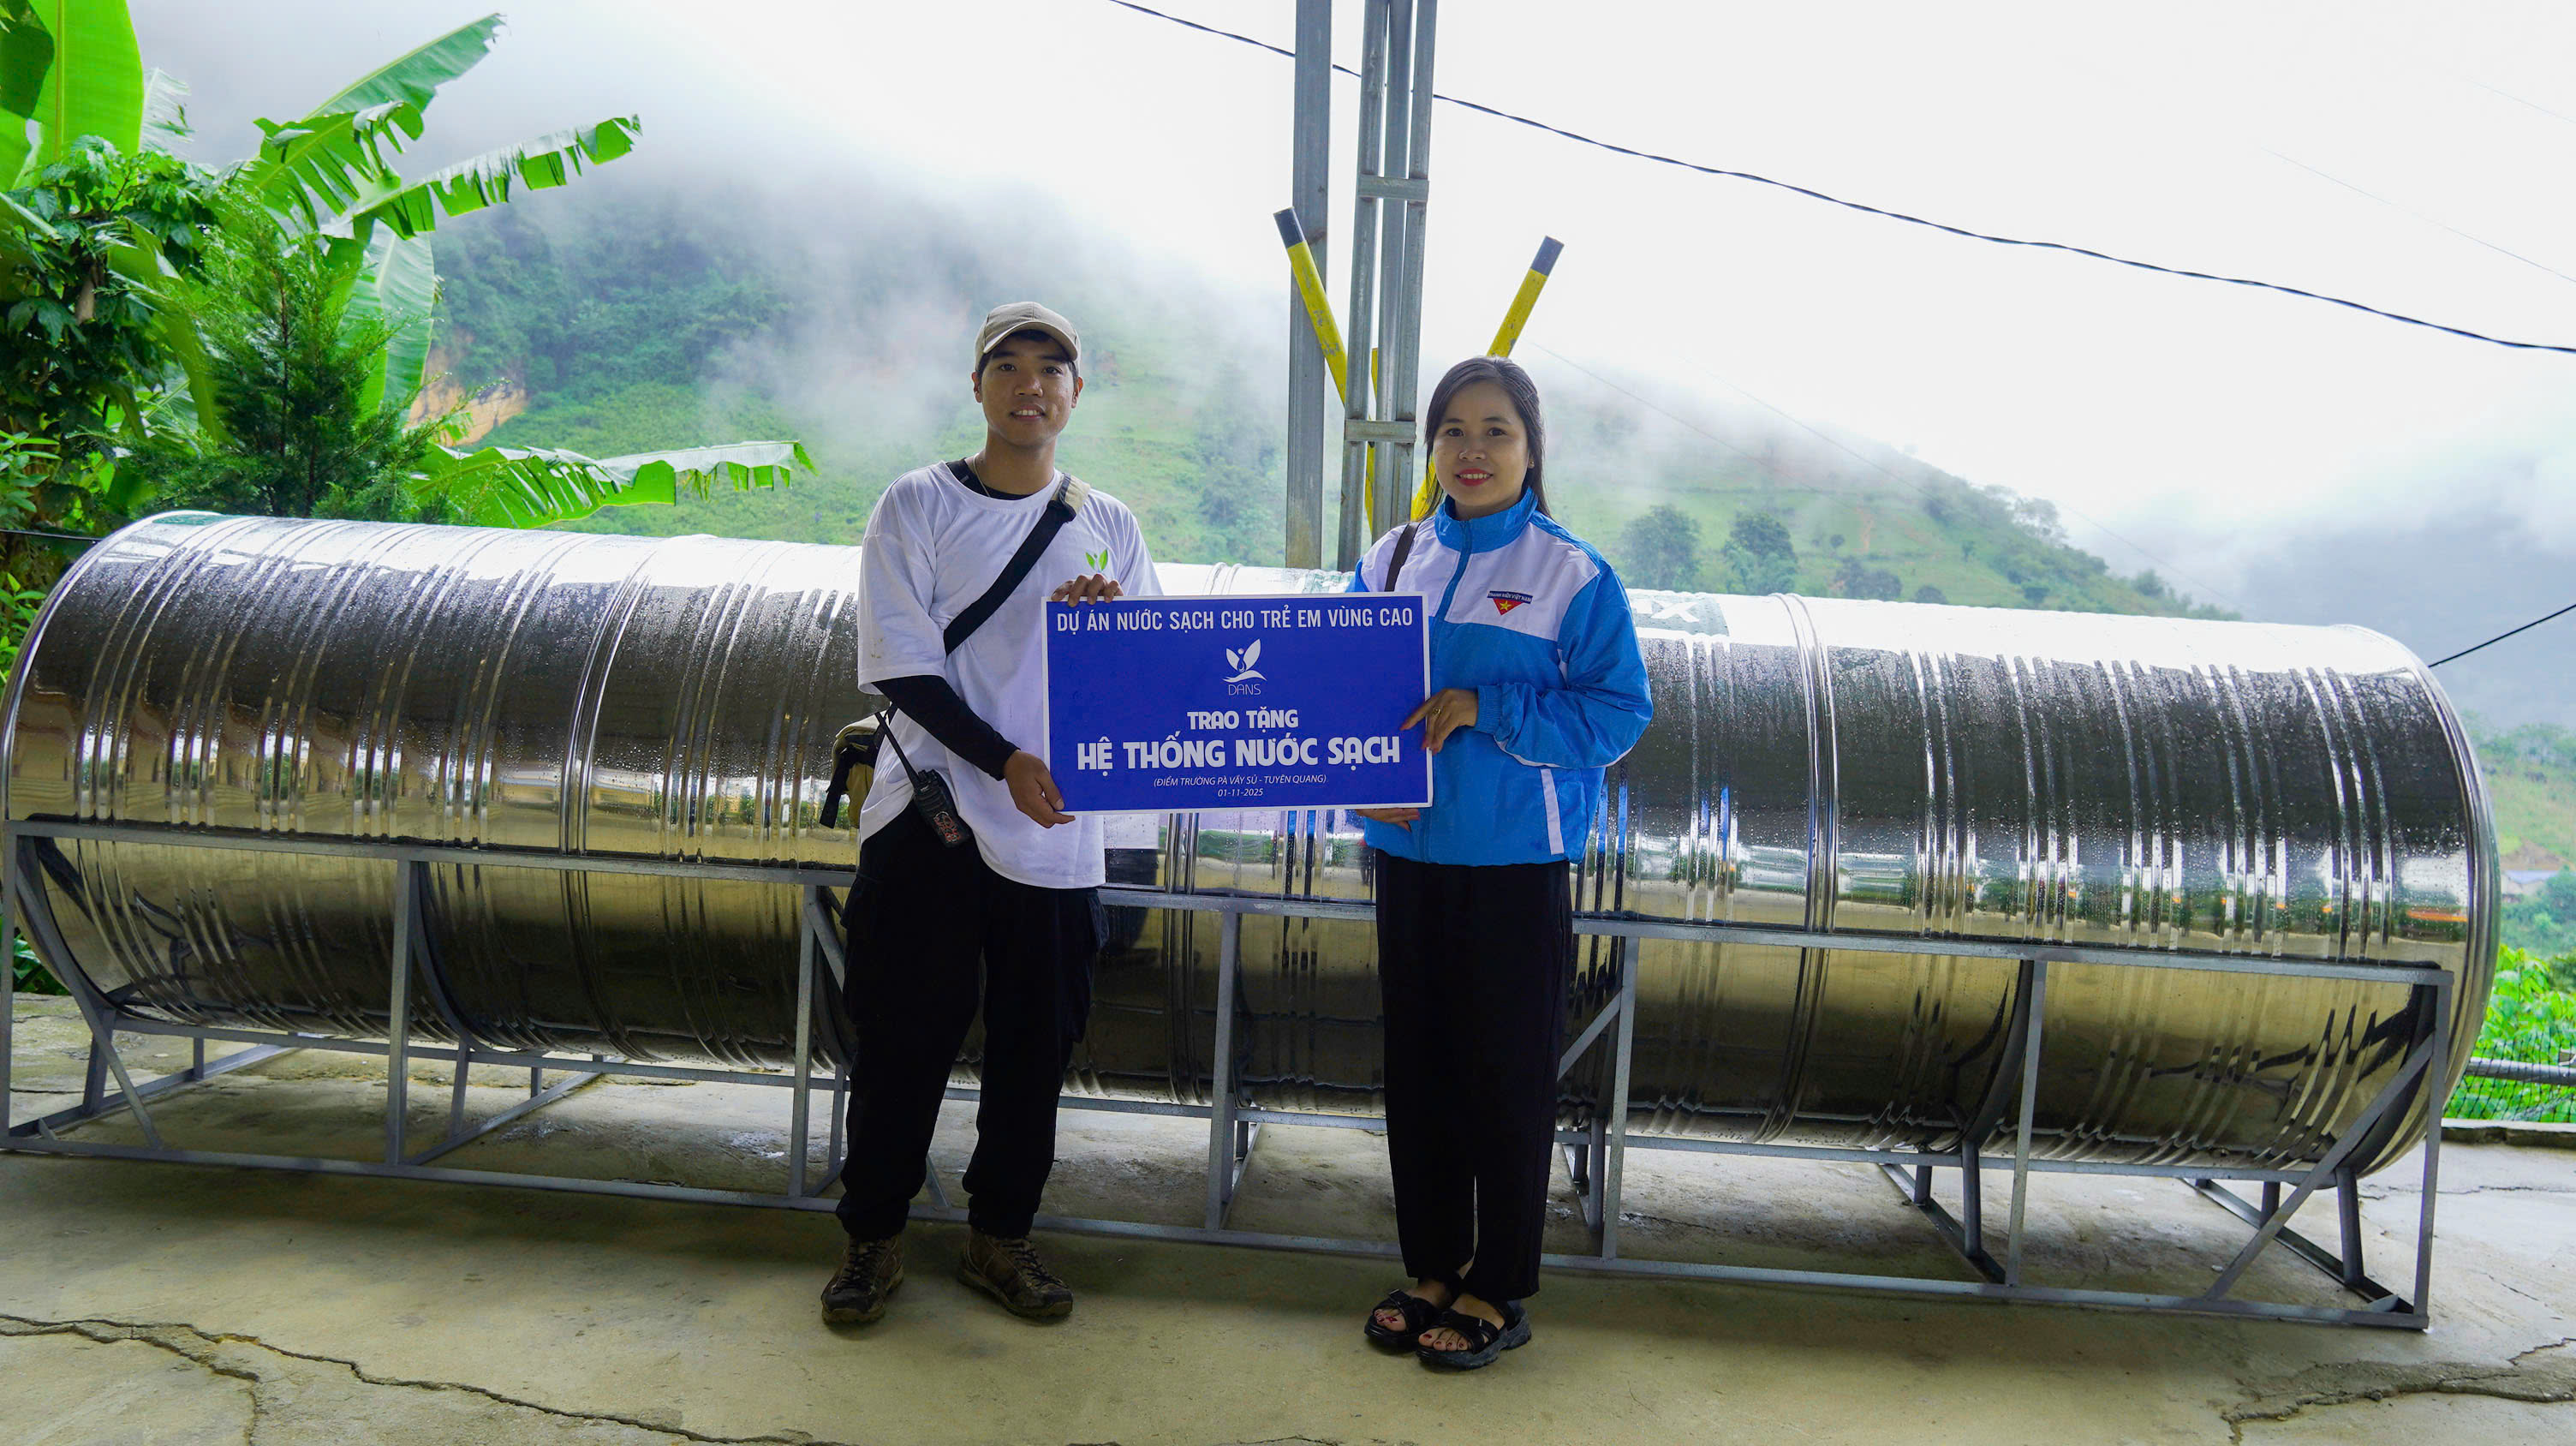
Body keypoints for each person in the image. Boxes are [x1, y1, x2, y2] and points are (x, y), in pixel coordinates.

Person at [820, 302, 1160, 1326]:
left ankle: (999, 1236)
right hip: (929, 814)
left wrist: (1110, 637)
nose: (1028, 384)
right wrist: (1002, 759)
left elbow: (1147, 677)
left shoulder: (1107, 526)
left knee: (1034, 1047)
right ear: (977, 387)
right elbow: (901, 668)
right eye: (1007, 365)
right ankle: (871, 1235)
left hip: (1054, 831)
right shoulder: (918, 503)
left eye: (1050, 368)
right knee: (901, 1038)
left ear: (1074, 392)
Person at [1348, 356, 1652, 1369]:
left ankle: (1498, 1285)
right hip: (1406, 855)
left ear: (1530, 449)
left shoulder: (1571, 573)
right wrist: (1351, 775)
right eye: (1452, 430)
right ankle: (1433, 1267)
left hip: (1515, 863)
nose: (1471, 450)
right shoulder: (1391, 558)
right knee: (1420, 1069)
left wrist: (1490, 706)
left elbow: (1617, 712)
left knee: (1505, 1074)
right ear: (1430, 446)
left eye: (1495, 431)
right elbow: (1336, 689)